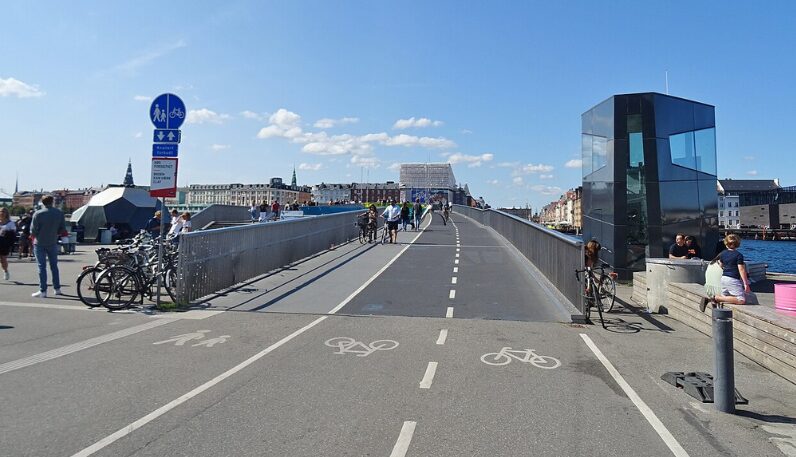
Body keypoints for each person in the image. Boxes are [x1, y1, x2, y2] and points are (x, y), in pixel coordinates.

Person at [701, 234, 750, 311]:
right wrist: (746, 283)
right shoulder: (739, 255)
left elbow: (721, 264)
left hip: (724, 278)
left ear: (726, 244)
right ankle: (715, 298)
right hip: (733, 279)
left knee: (724, 296)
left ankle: (712, 300)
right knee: (741, 299)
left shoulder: (723, 253)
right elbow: (741, 270)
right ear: (738, 244)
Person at [31, 195, 66, 298]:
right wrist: (55, 233)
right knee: (54, 266)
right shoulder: (59, 213)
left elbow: (33, 230)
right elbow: (62, 228)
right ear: (52, 201)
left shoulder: (38, 213)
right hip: (52, 241)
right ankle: (57, 288)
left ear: (42, 202)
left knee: (42, 267)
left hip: (40, 242)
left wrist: (38, 234)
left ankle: (43, 290)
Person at [0, 207, 16, 280]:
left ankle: (6, 271)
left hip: (4, 244)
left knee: (3, 260)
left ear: (6, 213)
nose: (2, 213)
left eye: (3, 211)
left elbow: (13, 234)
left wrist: (6, 233)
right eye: (0, 211)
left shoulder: (10, 223)